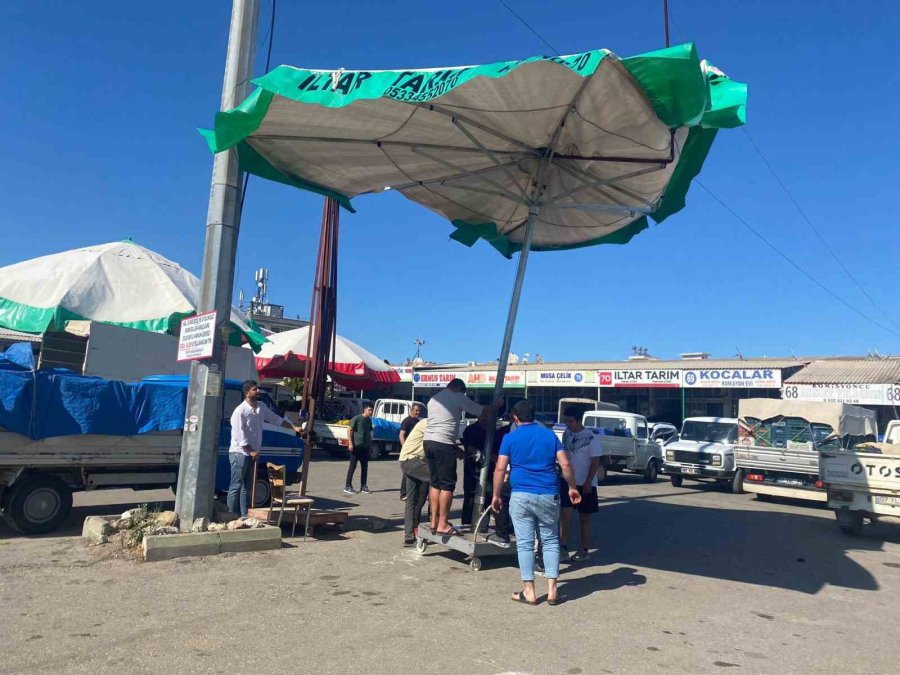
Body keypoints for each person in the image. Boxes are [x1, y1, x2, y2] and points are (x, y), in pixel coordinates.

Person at [493, 399, 580, 606]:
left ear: (515, 417)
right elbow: (565, 463)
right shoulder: (549, 436)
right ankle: (552, 589)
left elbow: (500, 468)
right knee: (550, 540)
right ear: (535, 416)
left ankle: (529, 591)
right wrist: (572, 486)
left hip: (521, 494)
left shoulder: (510, 438)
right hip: (549, 493)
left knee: (524, 543)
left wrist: (496, 494)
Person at [423, 378, 501, 536]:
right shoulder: (457, 396)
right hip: (443, 443)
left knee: (435, 483)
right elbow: (481, 410)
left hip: (428, 441)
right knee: (447, 485)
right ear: (459, 388)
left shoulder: (434, 398)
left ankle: (434, 521)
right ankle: (443, 524)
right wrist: (497, 405)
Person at [229, 380, 303, 517]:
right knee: (236, 485)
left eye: (257, 389)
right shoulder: (240, 411)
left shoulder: (261, 406)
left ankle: (244, 515)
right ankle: (230, 515)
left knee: (247, 486)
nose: (258, 392)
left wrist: (293, 427)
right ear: (246, 393)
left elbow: (276, 419)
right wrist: (251, 451)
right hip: (239, 453)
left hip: (252, 453)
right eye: (254, 389)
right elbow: (239, 435)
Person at [559, 406, 603, 563]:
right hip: (568, 482)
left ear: (578, 420)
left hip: (585, 484)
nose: (568, 424)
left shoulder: (591, 438)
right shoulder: (566, 434)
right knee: (565, 515)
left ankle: (584, 549)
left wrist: (588, 482)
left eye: (570, 421)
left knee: (584, 517)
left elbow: (595, 462)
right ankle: (563, 548)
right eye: (566, 421)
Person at [461, 409, 511, 546]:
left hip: (490, 471)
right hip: (473, 470)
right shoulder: (470, 430)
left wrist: (493, 459)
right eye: (483, 415)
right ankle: (466, 525)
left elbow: (500, 452)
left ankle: (484, 526)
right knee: (470, 497)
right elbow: (468, 446)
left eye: (488, 416)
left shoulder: (495, 433)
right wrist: (482, 454)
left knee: (490, 498)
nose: (484, 418)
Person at [399, 418, 430, 546]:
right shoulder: (429, 423)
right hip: (413, 461)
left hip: (409, 460)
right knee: (440, 480)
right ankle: (436, 524)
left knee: (412, 501)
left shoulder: (423, 423)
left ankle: (409, 536)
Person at [344, 403, 374, 495]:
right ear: (364, 410)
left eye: (372, 410)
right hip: (356, 447)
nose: (371, 412)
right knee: (352, 466)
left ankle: (363, 486)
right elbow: (349, 430)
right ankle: (348, 486)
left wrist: (370, 446)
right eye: (369, 410)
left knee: (364, 467)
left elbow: (369, 434)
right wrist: (350, 444)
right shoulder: (356, 418)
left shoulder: (369, 421)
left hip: (364, 447)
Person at [398, 403, 425, 501]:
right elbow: (401, 434)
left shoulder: (418, 421)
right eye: (416, 410)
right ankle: (403, 493)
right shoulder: (407, 421)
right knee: (406, 473)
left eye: (419, 411)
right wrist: (405, 447)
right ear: (412, 410)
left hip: (416, 451)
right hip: (408, 451)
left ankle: (414, 492)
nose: (418, 412)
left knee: (415, 472)